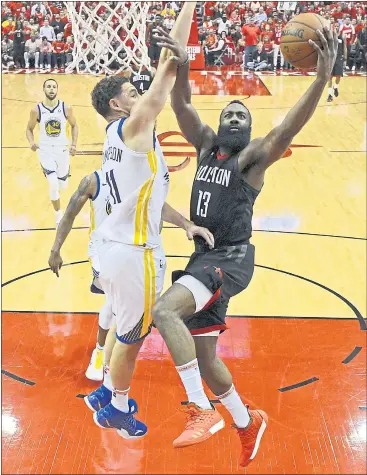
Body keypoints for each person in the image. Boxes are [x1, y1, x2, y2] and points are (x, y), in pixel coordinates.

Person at [150, 25, 338, 466]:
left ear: (250, 130)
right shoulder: (205, 145)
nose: (234, 118)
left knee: (163, 311)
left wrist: (319, 80)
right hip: (203, 256)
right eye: (229, 114)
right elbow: (182, 103)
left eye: (242, 117)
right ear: (218, 123)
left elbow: (287, 129)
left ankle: (200, 409)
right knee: (206, 356)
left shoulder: (250, 159)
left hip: (229, 260)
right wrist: (181, 63)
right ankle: (245, 421)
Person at [82, 2, 214, 440]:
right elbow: (169, 71)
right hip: (135, 254)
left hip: (114, 247)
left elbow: (151, 200)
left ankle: (105, 390)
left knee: (123, 326)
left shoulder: (118, 136)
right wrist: (190, 13)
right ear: (118, 103)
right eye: (131, 92)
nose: (140, 94)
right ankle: (117, 408)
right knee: (133, 337)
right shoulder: (135, 128)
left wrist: (184, 224)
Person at [48, 170, 113, 381]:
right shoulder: (93, 181)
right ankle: (100, 352)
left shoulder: (140, 174)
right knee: (115, 300)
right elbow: (69, 214)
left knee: (123, 305)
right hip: (102, 251)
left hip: (131, 247)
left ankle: (107, 349)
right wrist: (55, 250)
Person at [26, 79, 78, 226]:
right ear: (44, 89)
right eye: (48, 86)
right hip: (45, 151)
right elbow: (29, 129)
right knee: (53, 184)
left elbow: (75, 126)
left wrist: (74, 144)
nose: (51, 89)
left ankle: (63, 175)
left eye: (54, 86)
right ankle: (58, 215)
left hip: (62, 151)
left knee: (63, 186)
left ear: (57, 89)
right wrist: (31, 142)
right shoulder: (36, 110)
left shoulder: (66, 108)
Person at [327, 23, 347, 102]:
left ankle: (335, 87)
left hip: (339, 58)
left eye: (337, 26)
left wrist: (345, 58)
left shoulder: (342, 36)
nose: (336, 27)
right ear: (333, 27)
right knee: (330, 77)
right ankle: (329, 95)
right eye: (335, 26)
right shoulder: (330, 36)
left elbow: (345, 47)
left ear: (339, 27)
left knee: (338, 76)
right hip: (331, 58)